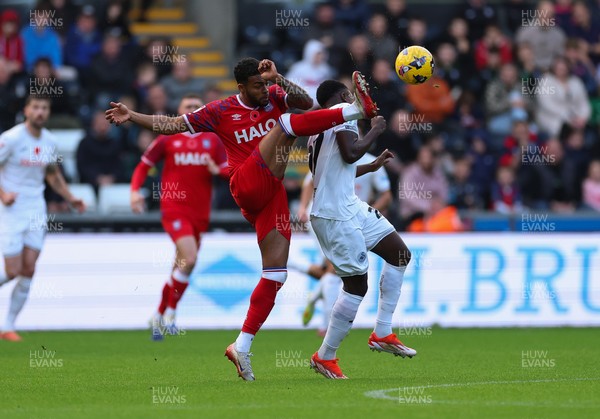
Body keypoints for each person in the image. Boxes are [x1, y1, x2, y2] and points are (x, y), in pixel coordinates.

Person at [105, 58, 378, 380]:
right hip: (245, 183)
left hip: (270, 194)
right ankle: (358, 111)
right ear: (241, 87)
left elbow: (306, 103)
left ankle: (242, 346)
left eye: (266, 84)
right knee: (287, 124)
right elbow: (172, 125)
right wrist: (131, 115)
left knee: (276, 275)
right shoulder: (219, 110)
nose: (265, 90)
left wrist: (280, 78)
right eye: (258, 85)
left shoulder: (275, 94)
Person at [305, 80, 415, 379]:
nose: (355, 100)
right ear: (342, 97)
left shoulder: (319, 128)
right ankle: (325, 356)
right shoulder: (342, 112)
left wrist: (373, 165)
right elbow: (351, 153)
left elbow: (341, 166)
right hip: (335, 214)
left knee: (400, 255)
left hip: (348, 205)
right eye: (351, 96)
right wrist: (377, 129)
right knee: (356, 286)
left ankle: (382, 332)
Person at [130, 94, 228, 340]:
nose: (193, 109)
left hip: (200, 212)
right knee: (191, 258)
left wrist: (219, 170)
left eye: (197, 106)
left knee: (182, 265)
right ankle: (172, 311)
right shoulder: (167, 138)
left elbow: (230, 168)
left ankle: (158, 314)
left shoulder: (213, 140)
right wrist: (134, 192)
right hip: (174, 207)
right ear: (179, 111)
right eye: (188, 107)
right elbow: (143, 165)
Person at [0, 95, 85, 341]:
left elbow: (51, 174)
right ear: (26, 110)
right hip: (11, 210)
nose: (40, 112)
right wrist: (4, 194)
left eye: (44, 108)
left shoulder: (50, 140)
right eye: (35, 107)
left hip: (36, 209)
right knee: (13, 270)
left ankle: (7, 326)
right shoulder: (12, 139)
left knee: (29, 268)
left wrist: (71, 198)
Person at [295, 151, 393, 336]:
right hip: (324, 216)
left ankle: (313, 292)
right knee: (334, 268)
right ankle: (326, 325)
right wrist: (302, 207)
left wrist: (367, 216)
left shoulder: (370, 160)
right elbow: (310, 181)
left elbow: (387, 196)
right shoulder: (333, 155)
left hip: (351, 220)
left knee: (339, 271)